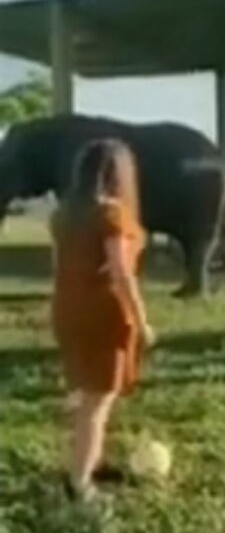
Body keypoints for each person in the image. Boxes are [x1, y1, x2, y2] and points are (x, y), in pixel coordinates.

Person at [49, 138, 155, 501]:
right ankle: (80, 484)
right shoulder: (112, 213)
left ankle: (89, 460)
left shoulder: (63, 214)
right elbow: (123, 273)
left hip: (68, 308)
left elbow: (59, 265)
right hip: (102, 312)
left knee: (86, 394)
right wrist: (142, 322)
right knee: (98, 401)